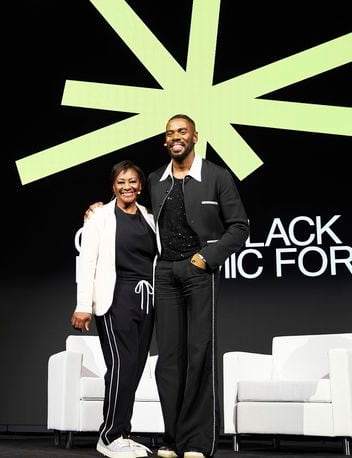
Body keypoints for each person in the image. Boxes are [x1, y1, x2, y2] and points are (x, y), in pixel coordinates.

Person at [85, 115, 249, 458]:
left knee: (199, 354)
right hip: (164, 277)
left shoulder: (217, 176)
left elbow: (239, 227)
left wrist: (207, 258)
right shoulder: (157, 180)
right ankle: (173, 439)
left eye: (182, 132)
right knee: (169, 361)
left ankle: (198, 442)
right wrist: (98, 209)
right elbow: (131, 209)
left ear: (195, 137)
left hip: (198, 271)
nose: (176, 137)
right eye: (171, 133)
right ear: (165, 141)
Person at [72, 160, 158, 458]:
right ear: (113, 186)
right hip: (115, 297)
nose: (127, 186)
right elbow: (88, 263)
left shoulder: (148, 217)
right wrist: (83, 306)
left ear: (141, 186)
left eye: (133, 181)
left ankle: (122, 432)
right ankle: (108, 436)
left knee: (134, 368)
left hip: (146, 300)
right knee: (122, 364)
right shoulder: (99, 217)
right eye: (121, 182)